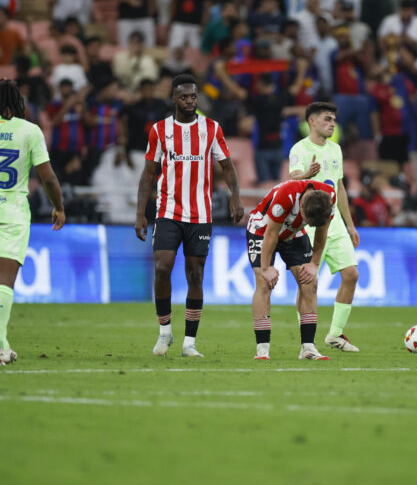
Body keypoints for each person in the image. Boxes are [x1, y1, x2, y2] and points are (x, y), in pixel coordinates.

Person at [135, 73, 244, 358]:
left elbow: (228, 167)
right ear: (173, 98)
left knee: (195, 274)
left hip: (200, 214)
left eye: (193, 96)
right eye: (184, 96)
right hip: (168, 211)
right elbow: (148, 175)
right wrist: (140, 214)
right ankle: (164, 333)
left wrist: (235, 197)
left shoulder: (211, 128)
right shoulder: (159, 130)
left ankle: (189, 343)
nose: (189, 101)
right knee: (162, 268)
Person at [0, 81, 65, 365]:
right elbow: (48, 177)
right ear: (14, 104)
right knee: (3, 283)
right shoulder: (29, 131)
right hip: (12, 214)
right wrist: (59, 208)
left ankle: (2, 344)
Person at [289, 102, 360, 352]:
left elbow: (339, 188)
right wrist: (306, 174)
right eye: (328, 119)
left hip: (336, 222)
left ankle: (335, 335)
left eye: (334, 120)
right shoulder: (300, 148)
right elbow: (293, 179)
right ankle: (307, 343)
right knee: (309, 283)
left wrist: (350, 225)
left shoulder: (336, 149)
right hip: (309, 224)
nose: (332, 124)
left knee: (351, 275)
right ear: (312, 121)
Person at [247, 178, 335, 361]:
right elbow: (271, 234)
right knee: (264, 283)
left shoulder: (329, 199)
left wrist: (314, 264)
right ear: (301, 205)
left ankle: (308, 348)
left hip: (294, 234)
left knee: (310, 281)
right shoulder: (286, 196)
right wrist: (266, 267)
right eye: (307, 220)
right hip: (262, 230)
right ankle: (262, 349)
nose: (310, 225)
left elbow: (321, 232)